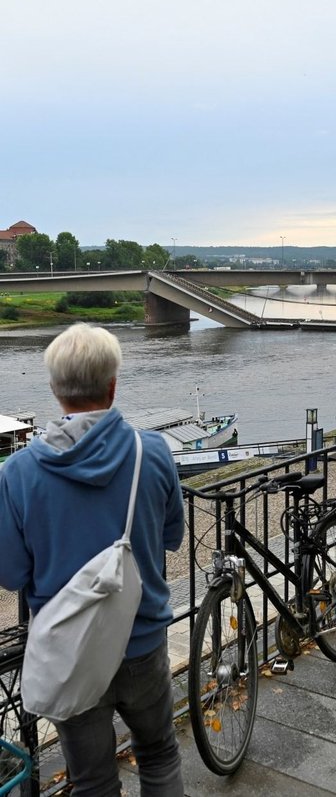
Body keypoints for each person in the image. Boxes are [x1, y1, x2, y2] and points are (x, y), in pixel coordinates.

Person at [0, 323, 184, 797]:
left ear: (55, 390)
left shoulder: (17, 473)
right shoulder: (154, 452)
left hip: (70, 650)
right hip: (142, 638)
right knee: (159, 754)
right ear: (112, 385)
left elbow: (12, 572)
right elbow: (172, 536)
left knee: (92, 780)